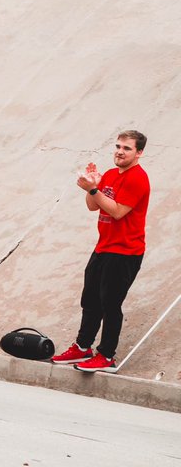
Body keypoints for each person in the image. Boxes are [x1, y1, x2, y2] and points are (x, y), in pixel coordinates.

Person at [51, 131, 151, 374]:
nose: (119, 151)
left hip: (125, 252)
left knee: (110, 303)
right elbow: (92, 206)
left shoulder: (138, 178)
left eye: (127, 148)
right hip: (104, 247)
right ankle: (83, 347)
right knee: (91, 300)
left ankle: (107, 355)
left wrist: (94, 190)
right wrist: (92, 186)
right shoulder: (110, 174)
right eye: (118, 146)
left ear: (139, 153)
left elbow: (117, 212)